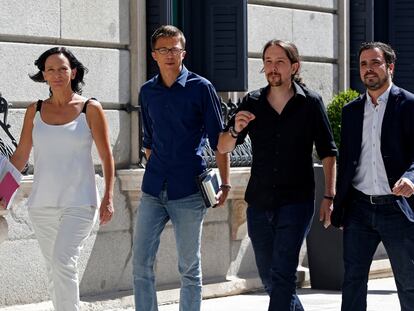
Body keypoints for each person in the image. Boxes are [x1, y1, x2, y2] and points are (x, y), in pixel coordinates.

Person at [217, 39, 337, 311]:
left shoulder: (310, 103)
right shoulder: (253, 102)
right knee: (270, 278)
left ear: (294, 66)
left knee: (282, 274)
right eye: (268, 62)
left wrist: (329, 195)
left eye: (279, 62)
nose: (273, 68)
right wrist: (235, 129)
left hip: (297, 201)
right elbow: (223, 147)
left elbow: (328, 152)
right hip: (259, 202)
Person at [2, 47, 115, 311]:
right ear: (43, 75)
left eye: (62, 69)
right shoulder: (35, 111)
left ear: (73, 72)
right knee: (55, 269)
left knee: (63, 261)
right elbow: (20, 156)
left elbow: (106, 156)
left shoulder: (90, 108)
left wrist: (108, 196)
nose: (57, 74)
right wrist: (4, 193)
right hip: (42, 205)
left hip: (80, 203)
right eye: (50, 69)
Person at [133, 25, 230, 311]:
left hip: (188, 189)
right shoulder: (147, 92)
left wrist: (225, 184)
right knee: (141, 264)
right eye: (163, 50)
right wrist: (157, 167)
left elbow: (220, 141)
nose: (170, 55)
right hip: (153, 189)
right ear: (154, 55)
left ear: (183, 52)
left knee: (189, 268)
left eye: (175, 49)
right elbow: (148, 140)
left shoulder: (202, 88)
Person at [331, 42, 414, 311]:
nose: (369, 69)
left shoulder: (409, 104)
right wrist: (337, 203)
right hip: (358, 209)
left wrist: (411, 178)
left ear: (389, 67)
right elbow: (347, 161)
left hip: (397, 209)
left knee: (409, 281)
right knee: (353, 281)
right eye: (364, 64)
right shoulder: (351, 110)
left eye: (375, 63)